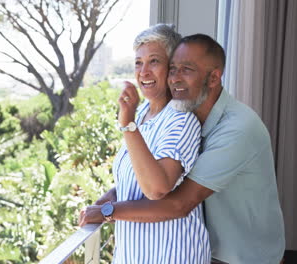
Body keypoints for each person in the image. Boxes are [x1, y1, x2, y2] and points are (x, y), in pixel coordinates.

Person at [79, 34, 285, 264]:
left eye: (186, 69)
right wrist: (103, 202)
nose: (174, 78)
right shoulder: (176, 115)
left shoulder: (237, 129)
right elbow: (139, 177)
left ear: (214, 77)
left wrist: (109, 211)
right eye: (173, 68)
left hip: (245, 257)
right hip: (212, 250)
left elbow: (178, 202)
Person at [79, 24, 211, 263]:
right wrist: (104, 201)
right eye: (138, 63)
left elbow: (156, 188)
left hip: (172, 255)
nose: (144, 72)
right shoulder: (141, 114)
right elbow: (133, 180)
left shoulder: (181, 121)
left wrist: (127, 125)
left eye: (154, 61)